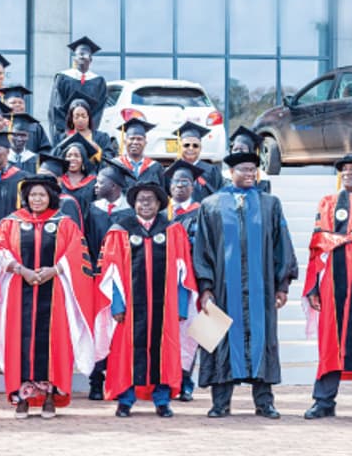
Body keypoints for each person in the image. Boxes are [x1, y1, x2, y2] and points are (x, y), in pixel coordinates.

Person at [190, 150, 296, 418]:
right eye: (244, 170)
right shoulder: (211, 205)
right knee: (220, 339)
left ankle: (265, 402)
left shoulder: (270, 204)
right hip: (224, 289)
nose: (250, 174)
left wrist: (282, 285)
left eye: (253, 169)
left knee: (263, 341)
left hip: (261, 290)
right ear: (231, 172)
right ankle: (220, 403)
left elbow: (282, 244)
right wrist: (205, 287)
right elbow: (202, 248)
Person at [0, 176, 94, 419]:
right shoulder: (10, 223)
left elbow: (77, 252)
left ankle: (49, 397)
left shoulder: (65, 224)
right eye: (33, 195)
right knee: (19, 342)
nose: (36, 199)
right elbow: (1, 251)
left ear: (51, 198)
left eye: (42, 195)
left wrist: (53, 271)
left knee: (53, 342)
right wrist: (21, 270)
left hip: (54, 292)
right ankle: (22, 398)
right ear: (26, 197)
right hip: (18, 292)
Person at [98, 179, 193, 418]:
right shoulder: (120, 230)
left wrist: (181, 307)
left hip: (165, 307)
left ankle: (162, 401)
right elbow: (111, 272)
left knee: (164, 350)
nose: (146, 204)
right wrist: (117, 306)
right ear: (134, 204)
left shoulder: (173, 230)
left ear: (160, 203)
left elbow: (184, 272)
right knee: (127, 352)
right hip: (130, 308)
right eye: (141, 200)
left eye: (151, 200)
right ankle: (125, 400)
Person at [304, 155, 352, 419]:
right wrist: (312, 287)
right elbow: (316, 242)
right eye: (344, 170)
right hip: (334, 285)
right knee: (330, 343)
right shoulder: (329, 203)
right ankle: (323, 401)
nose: (347, 173)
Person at [48, 38, 107, 137]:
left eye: (85, 55)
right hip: (66, 133)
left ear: (91, 59)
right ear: (74, 59)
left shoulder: (98, 82)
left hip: (88, 134)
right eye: (79, 54)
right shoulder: (63, 78)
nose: (82, 57)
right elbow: (57, 107)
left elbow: (98, 110)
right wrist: (66, 130)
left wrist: (89, 130)